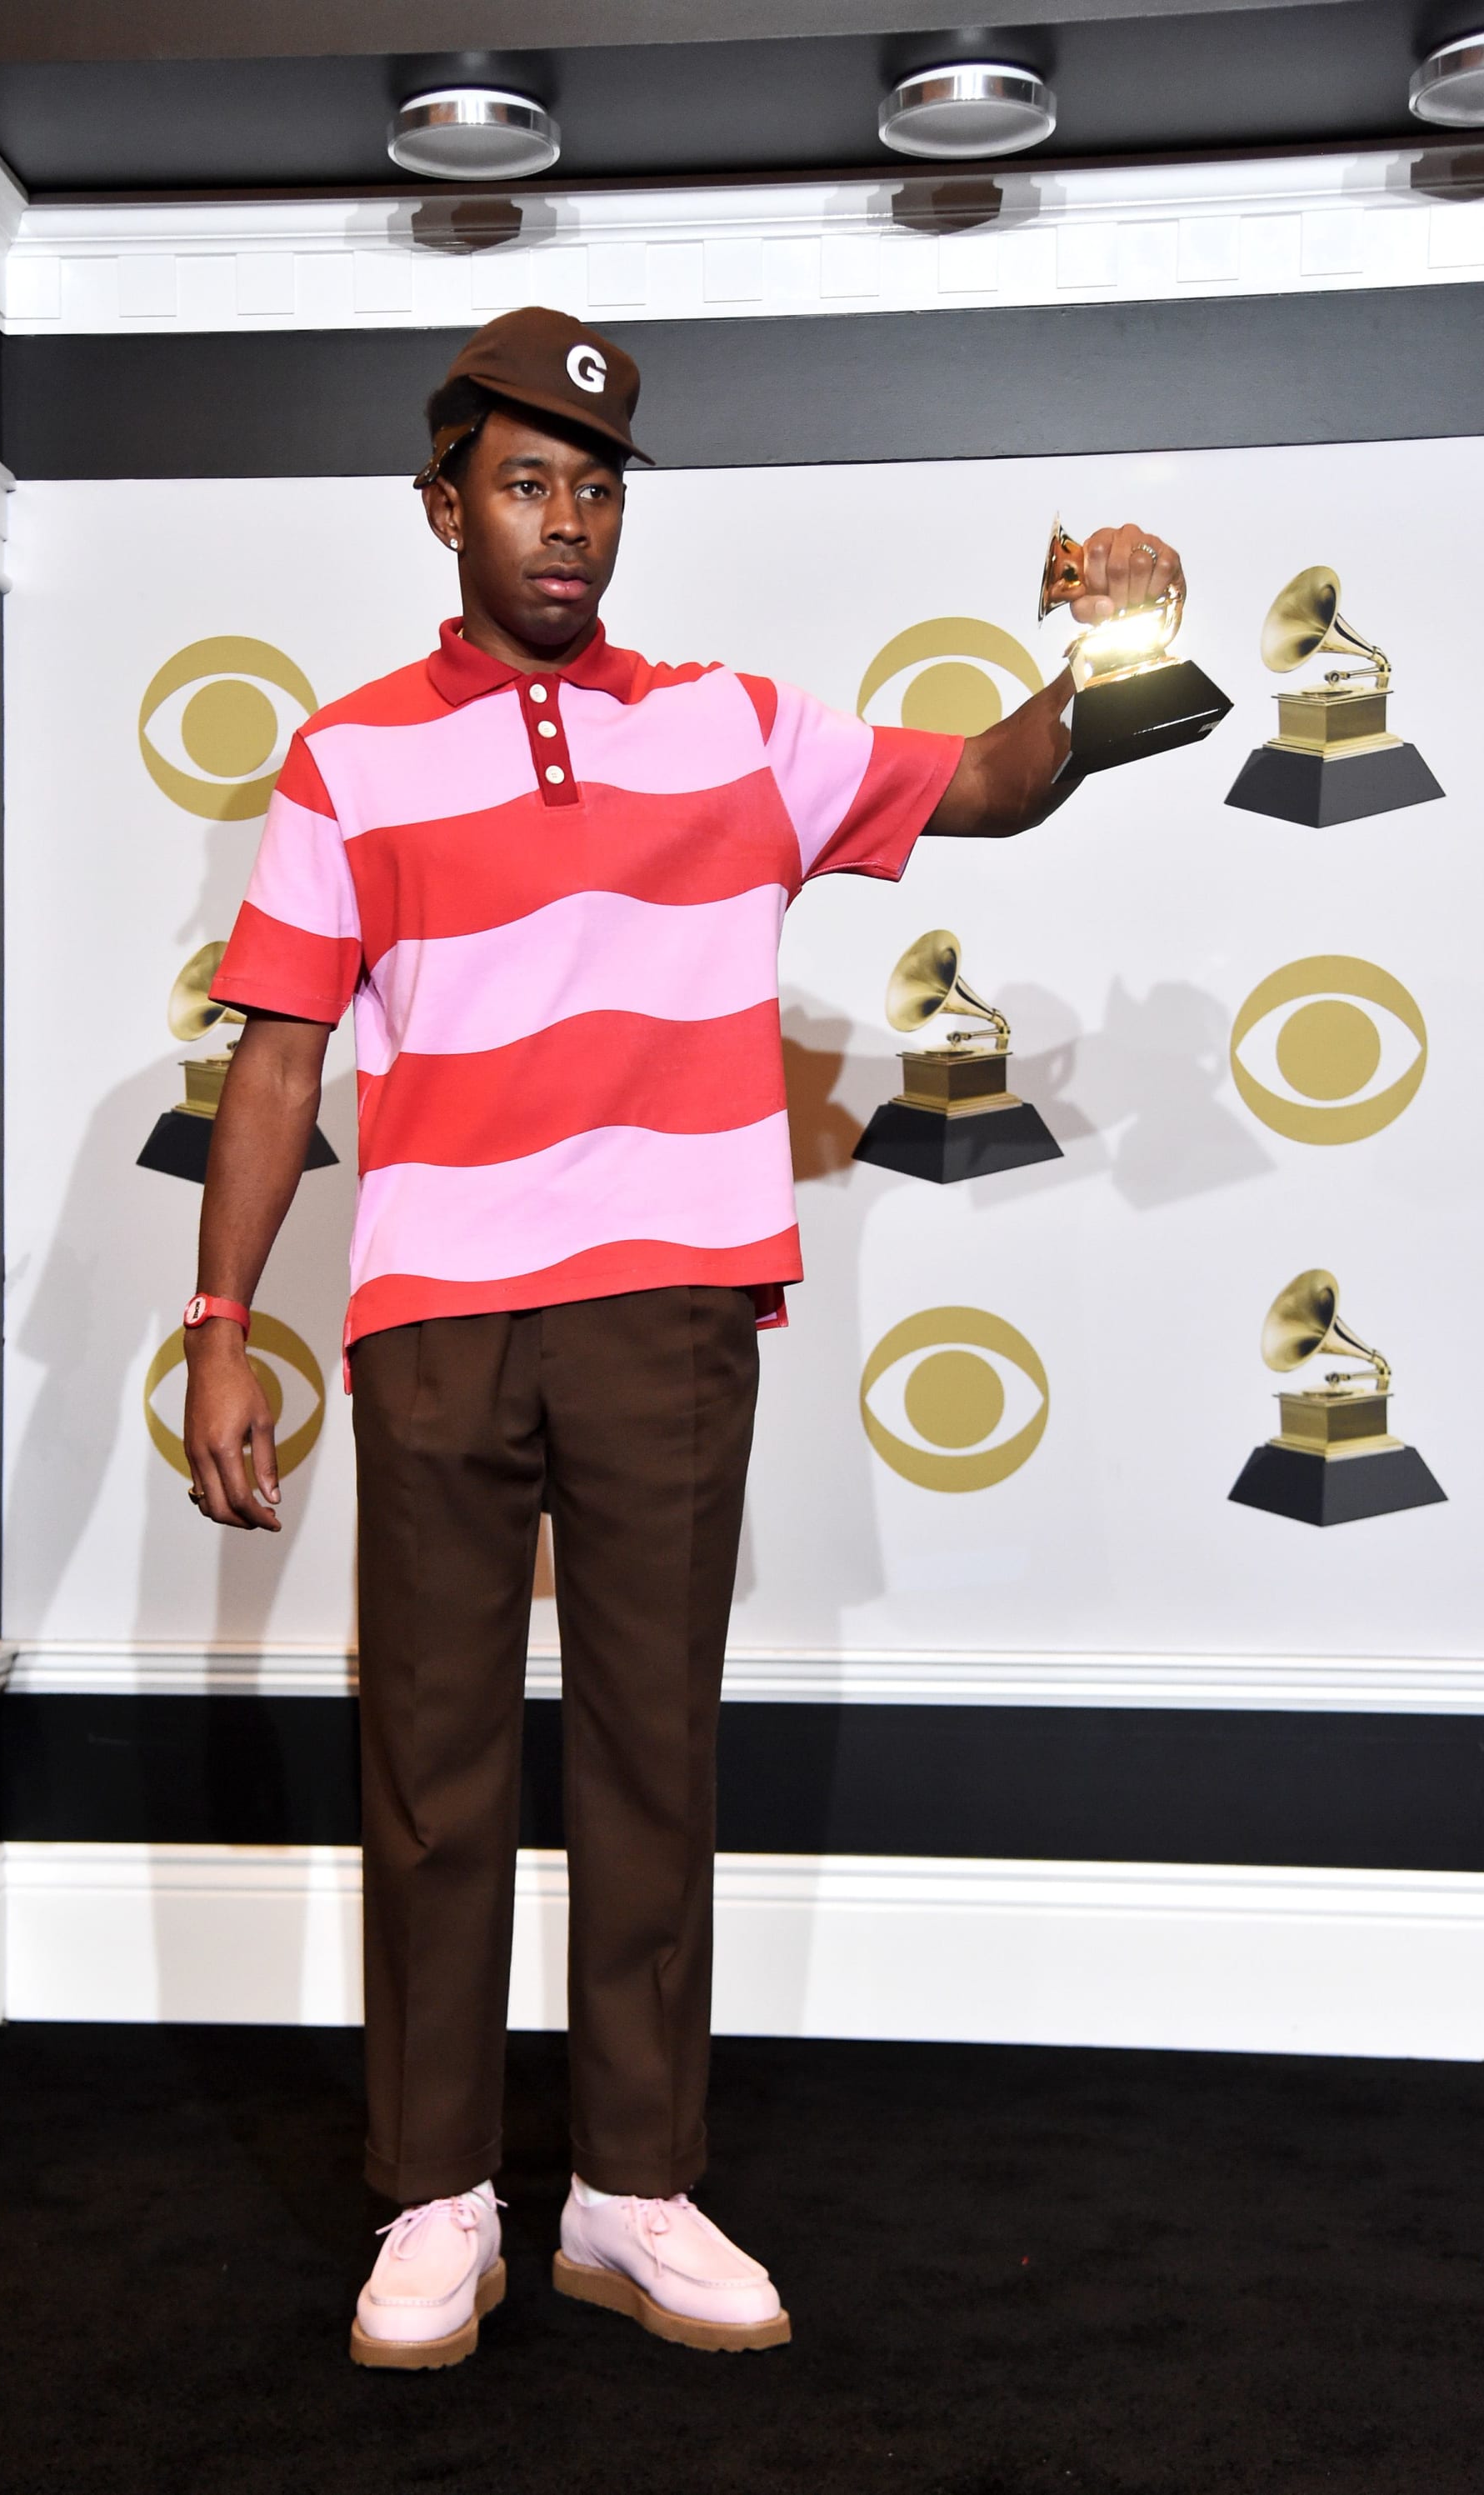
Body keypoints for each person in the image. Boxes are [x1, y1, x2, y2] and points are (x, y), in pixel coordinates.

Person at [180, 306, 1182, 2369]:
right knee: (436, 1773)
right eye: (529, 483)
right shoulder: (347, 752)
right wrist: (217, 1324)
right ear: (442, 504)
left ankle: (631, 2194)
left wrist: (1095, 666)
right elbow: (278, 1059)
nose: (570, 524)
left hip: (668, 1312)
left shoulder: (732, 723)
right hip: (439, 1312)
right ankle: (439, 2198)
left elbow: (987, 782)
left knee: (652, 1748)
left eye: (600, 485)